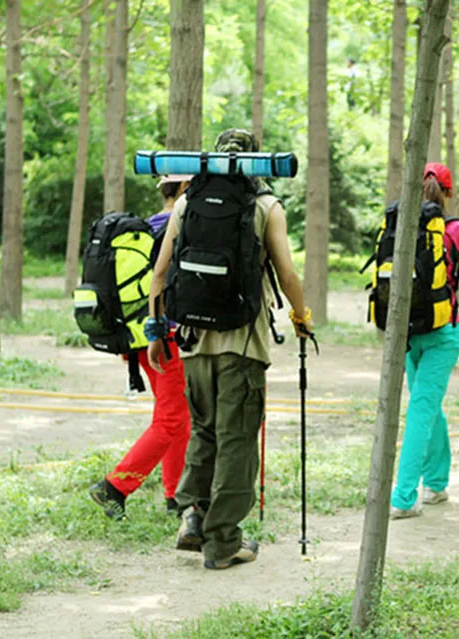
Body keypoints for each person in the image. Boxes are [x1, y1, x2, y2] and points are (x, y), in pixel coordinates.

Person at [146, 129, 314, 570]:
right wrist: (301, 317)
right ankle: (223, 544)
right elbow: (288, 274)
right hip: (243, 345)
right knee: (237, 439)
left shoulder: (185, 203)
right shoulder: (265, 206)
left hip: (193, 342)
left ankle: (194, 518)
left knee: (204, 431)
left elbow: (159, 274)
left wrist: (155, 332)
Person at [88, 175, 194, 520]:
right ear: (182, 190)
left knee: (176, 417)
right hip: (164, 338)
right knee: (172, 419)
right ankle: (114, 487)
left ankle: (175, 495)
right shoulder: (175, 227)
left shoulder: (147, 228)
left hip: (141, 336)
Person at [390, 162, 459, 520]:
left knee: (427, 403)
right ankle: (404, 497)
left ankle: (437, 483)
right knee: (423, 409)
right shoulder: (457, 230)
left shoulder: (401, 224)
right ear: (449, 192)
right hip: (443, 333)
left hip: (407, 334)